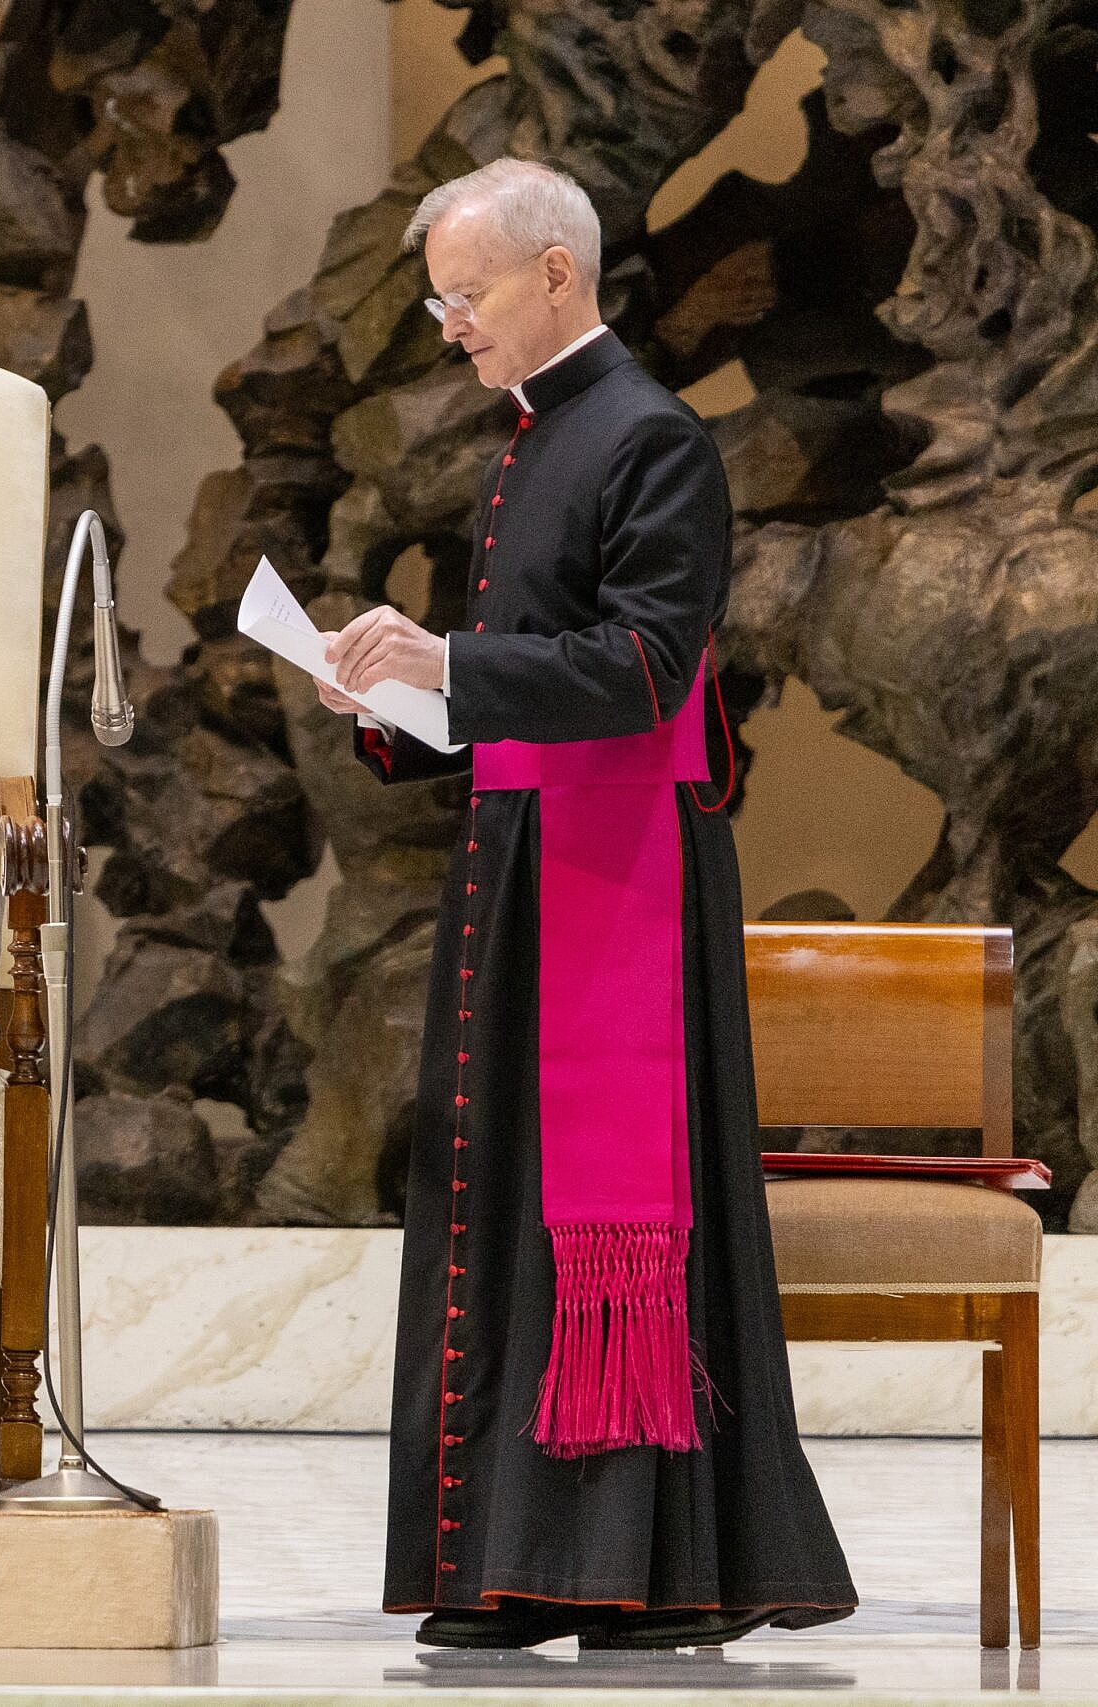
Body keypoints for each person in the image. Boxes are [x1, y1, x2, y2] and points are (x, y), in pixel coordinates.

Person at [318, 159, 856, 1650]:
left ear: (555, 273)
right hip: (516, 864)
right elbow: (523, 671)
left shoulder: (650, 436)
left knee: (609, 1219)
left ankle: (641, 1571)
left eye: (465, 292)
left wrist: (449, 664)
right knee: (497, 1215)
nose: (446, 322)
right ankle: (502, 1563)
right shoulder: (529, 440)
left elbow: (643, 669)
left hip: (616, 880)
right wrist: (394, 697)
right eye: (437, 296)